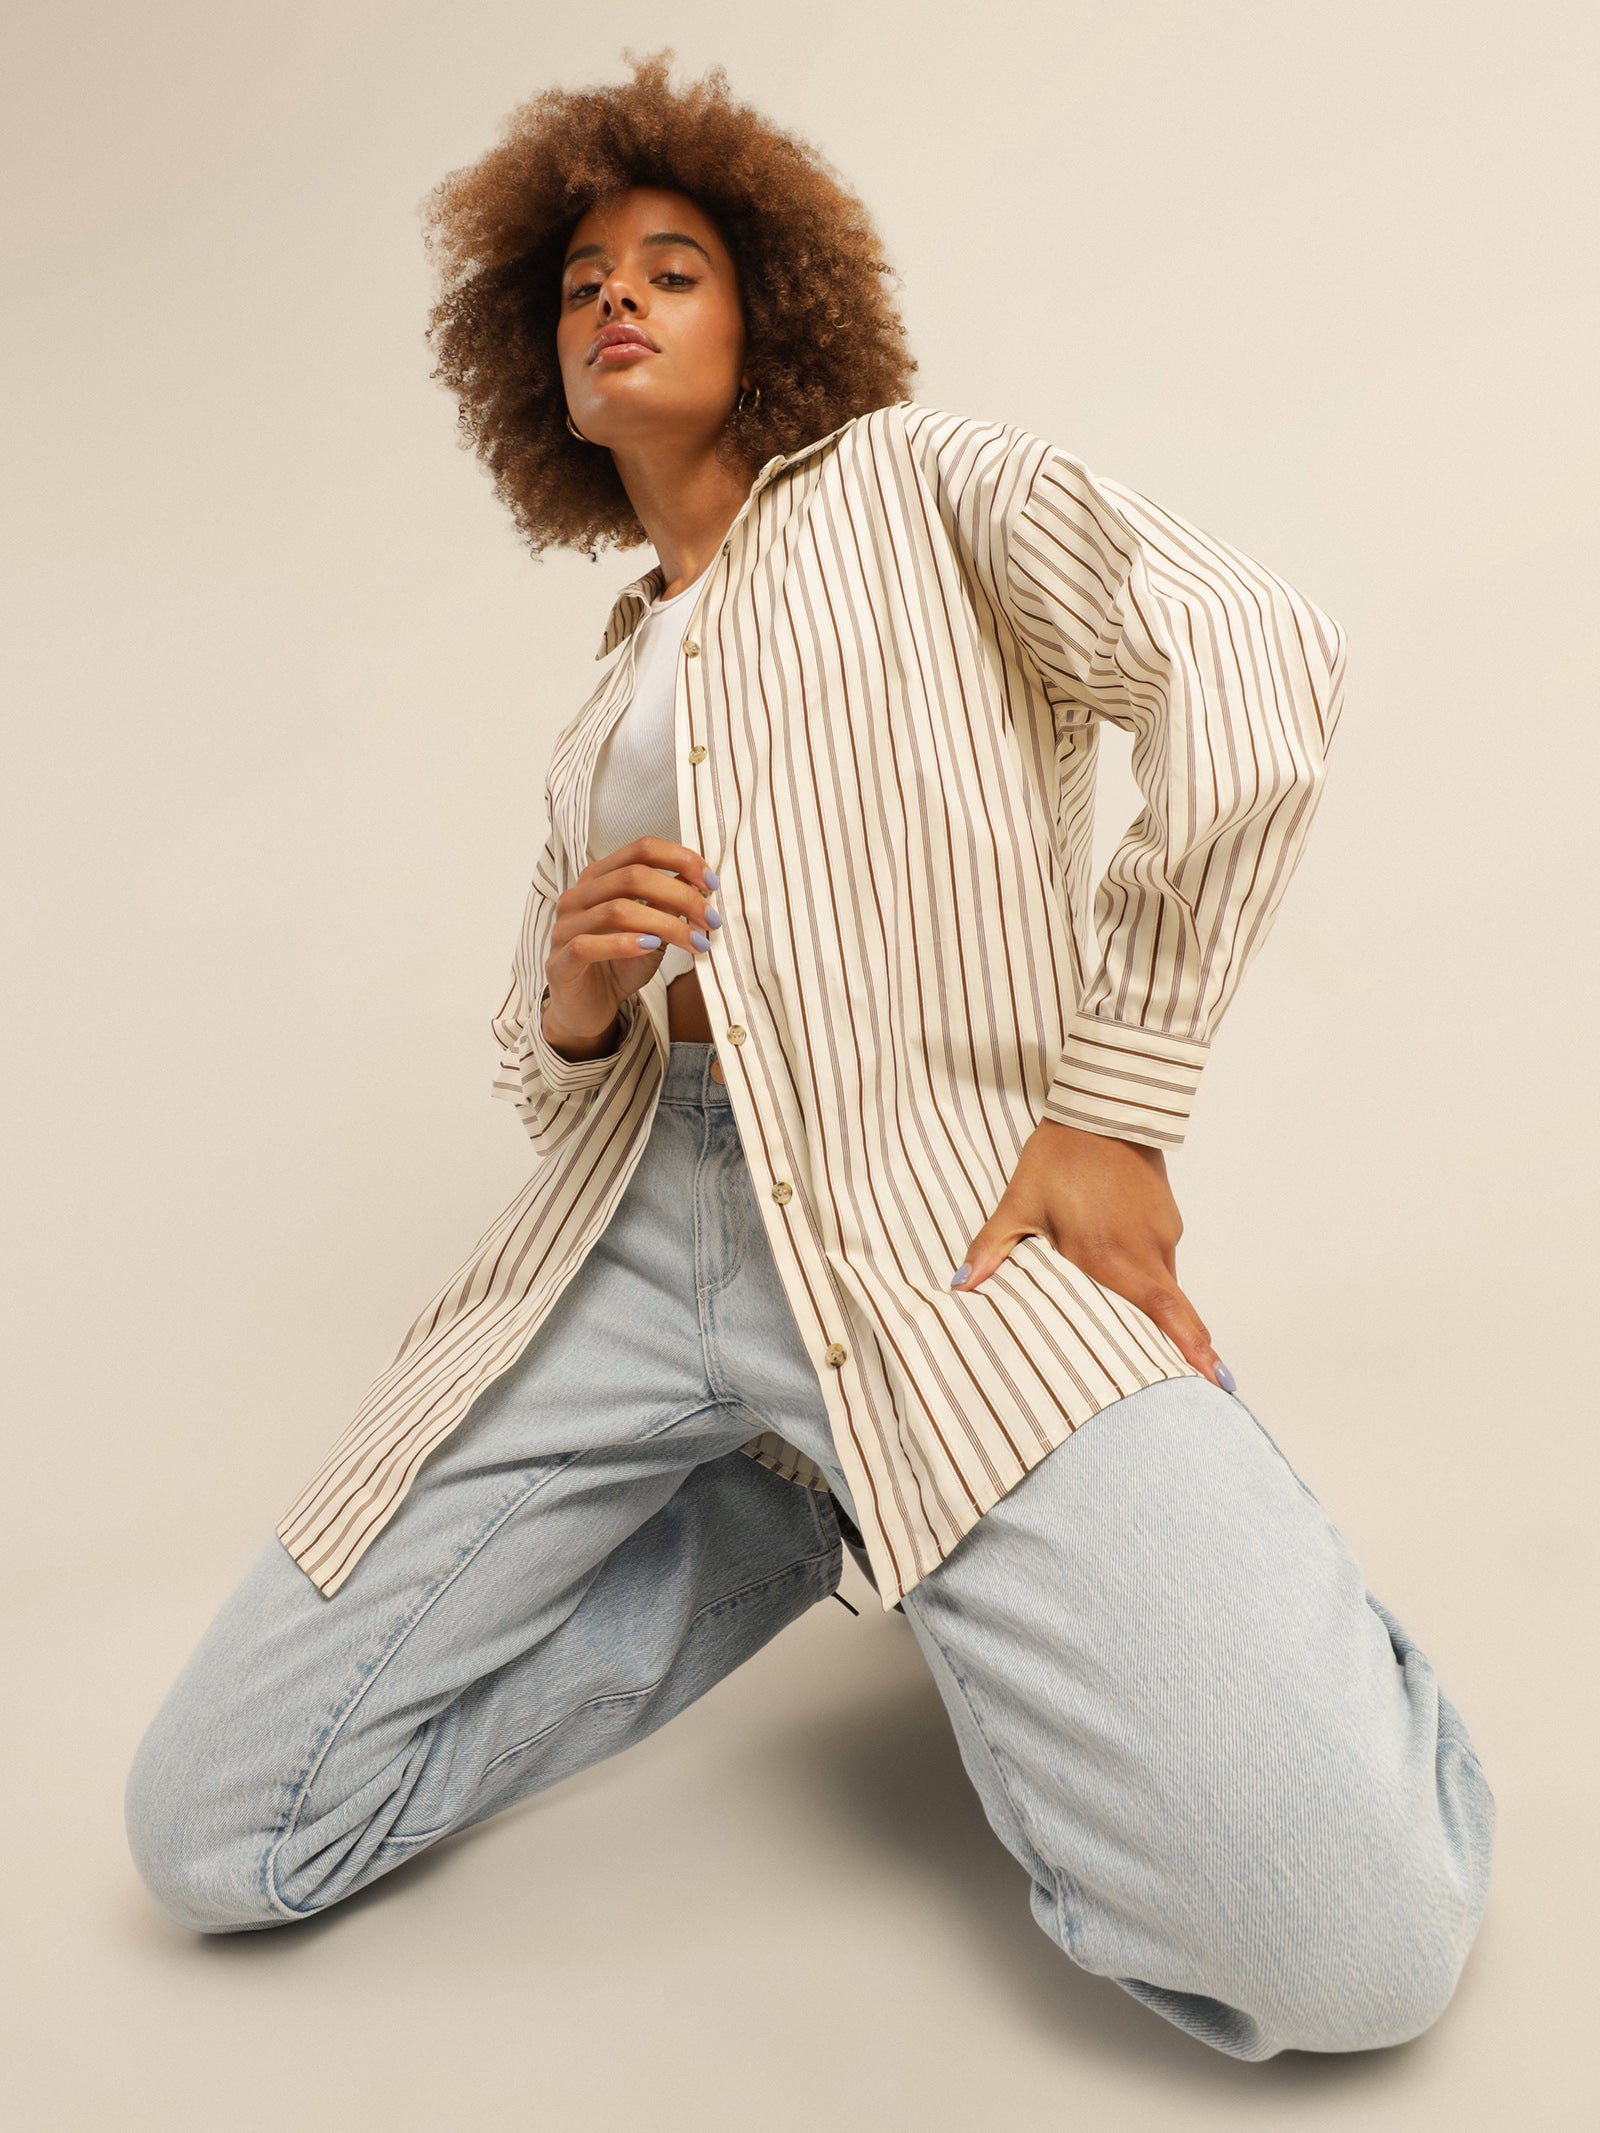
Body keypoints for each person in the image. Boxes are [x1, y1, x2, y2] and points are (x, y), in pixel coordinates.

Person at [124, 51, 1495, 2062]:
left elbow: (1253, 649)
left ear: (770, 311)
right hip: (626, 1236)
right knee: (212, 1831)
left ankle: (1074, 1513)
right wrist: (577, 1002)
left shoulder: (922, 489)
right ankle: (792, 1504)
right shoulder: (601, 705)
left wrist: (1115, 1098)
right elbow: (547, 1090)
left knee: (1351, 1954)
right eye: (579, 281)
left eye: (670, 267)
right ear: (537, 368)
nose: (615, 294)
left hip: (939, 1215)